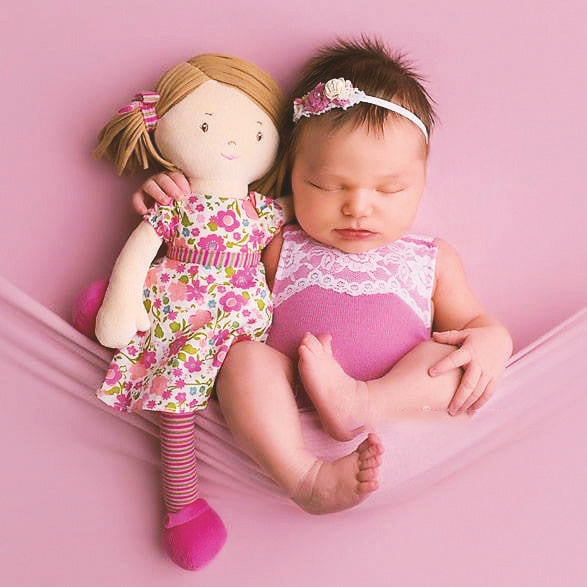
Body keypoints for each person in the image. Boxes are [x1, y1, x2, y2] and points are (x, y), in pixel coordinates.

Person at [132, 38, 513, 515]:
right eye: (327, 185)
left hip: (396, 398)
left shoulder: (432, 259)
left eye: (390, 189)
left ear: (421, 182)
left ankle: (363, 402)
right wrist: (178, 204)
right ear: (292, 175)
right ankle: (304, 474)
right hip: (287, 399)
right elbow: (204, 263)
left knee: (456, 362)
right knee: (243, 359)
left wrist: (494, 342)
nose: (358, 207)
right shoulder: (276, 242)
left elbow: (474, 322)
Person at [93, 53, 289, 569]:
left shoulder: (265, 210)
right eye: (204, 126)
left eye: (255, 133)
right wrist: (121, 301)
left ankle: (97, 306)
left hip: (243, 331)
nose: (231, 144)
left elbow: (302, 221)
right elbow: (139, 251)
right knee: (175, 402)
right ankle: (182, 505)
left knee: (245, 386)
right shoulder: (175, 201)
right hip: (184, 320)